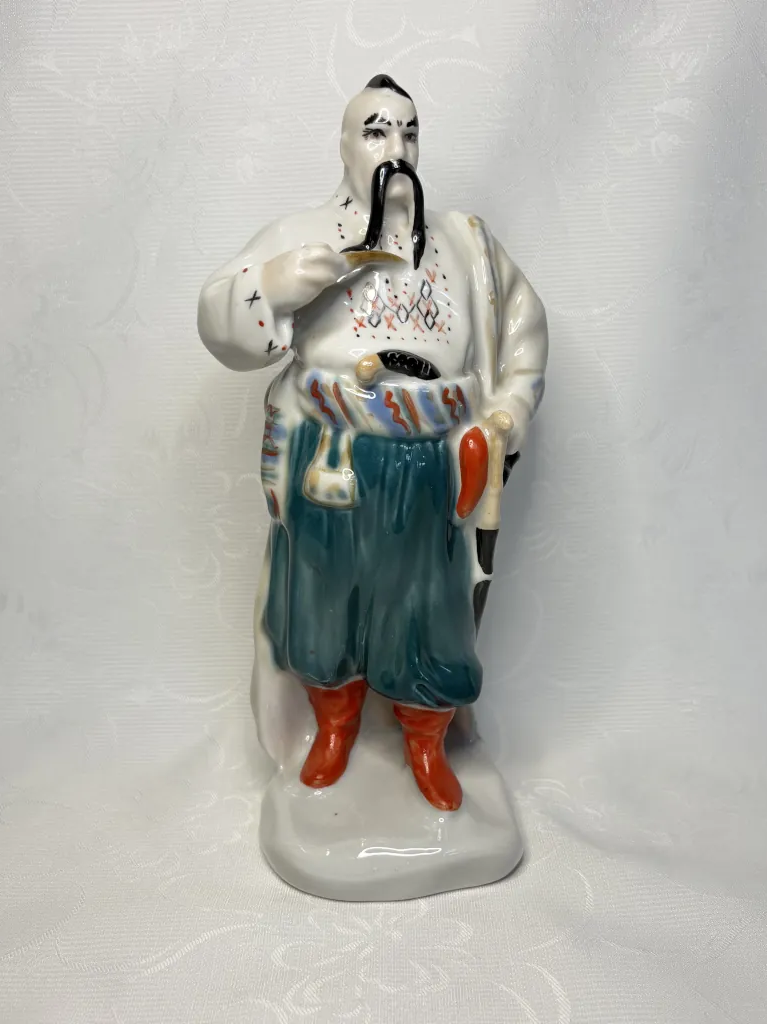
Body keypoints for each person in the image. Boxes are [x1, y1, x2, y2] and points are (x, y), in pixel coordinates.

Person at [198, 74, 548, 811]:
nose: (397, 149)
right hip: (332, 453)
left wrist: (507, 412)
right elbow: (218, 317)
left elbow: (523, 322)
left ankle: (426, 742)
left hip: (429, 460)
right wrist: (276, 284)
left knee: (428, 613)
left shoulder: (464, 243)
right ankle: (333, 725)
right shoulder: (299, 234)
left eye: (409, 132)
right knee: (323, 602)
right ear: (345, 146)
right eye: (377, 131)